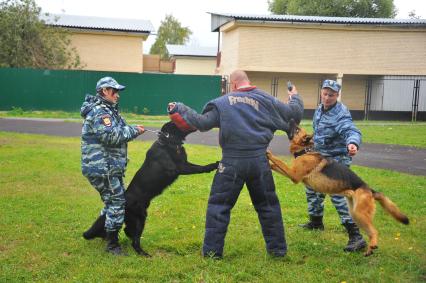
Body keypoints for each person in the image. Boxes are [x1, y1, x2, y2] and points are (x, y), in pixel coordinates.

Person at [167, 70, 304, 258]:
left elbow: (203, 123)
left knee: (219, 206)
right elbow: (294, 114)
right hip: (259, 162)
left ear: (233, 85)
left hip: (231, 163)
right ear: (248, 82)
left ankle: (212, 253)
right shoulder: (266, 99)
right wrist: (294, 96)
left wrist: (179, 108)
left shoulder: (222, 103)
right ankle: (278, 250)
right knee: (268, 206)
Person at [299, 79, 367, 252]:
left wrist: (353, 143)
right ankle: (316, 222)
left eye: (331, 95)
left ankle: (356, 236)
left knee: (338, 196)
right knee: (312, 188)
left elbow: (351, 130)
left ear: (337, 95)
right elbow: (320, 130)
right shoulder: (320, 109)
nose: (327, 97)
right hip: (320, 158)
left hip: (337, 160)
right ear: (321, 92)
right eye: (325, 93)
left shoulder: (341, 113)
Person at [80, 76, 145, 255]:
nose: (117, 95)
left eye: (118, 92)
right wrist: (134, 131)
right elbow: (111, 136)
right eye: (114, 91)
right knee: (117, 201)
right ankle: (112, 244)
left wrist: (133, 128)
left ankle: (100, 232)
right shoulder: (100, 112)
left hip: (108, 167)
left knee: (112, 201)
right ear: (104, 92)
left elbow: (118, 129)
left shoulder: (109, 110)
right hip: (102, 167)